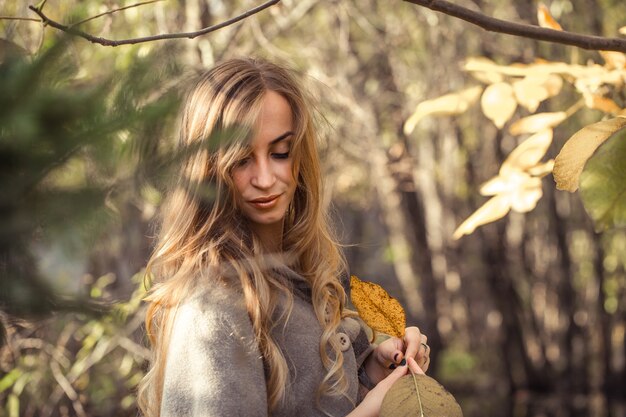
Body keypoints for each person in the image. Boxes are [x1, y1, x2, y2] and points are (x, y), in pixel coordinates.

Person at [137, 58, 431, 417]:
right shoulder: (214, 308)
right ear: (209, 170)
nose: (264, 178)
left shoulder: (298, 277)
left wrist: (373, 371)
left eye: (280, 153)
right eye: (241, 160)